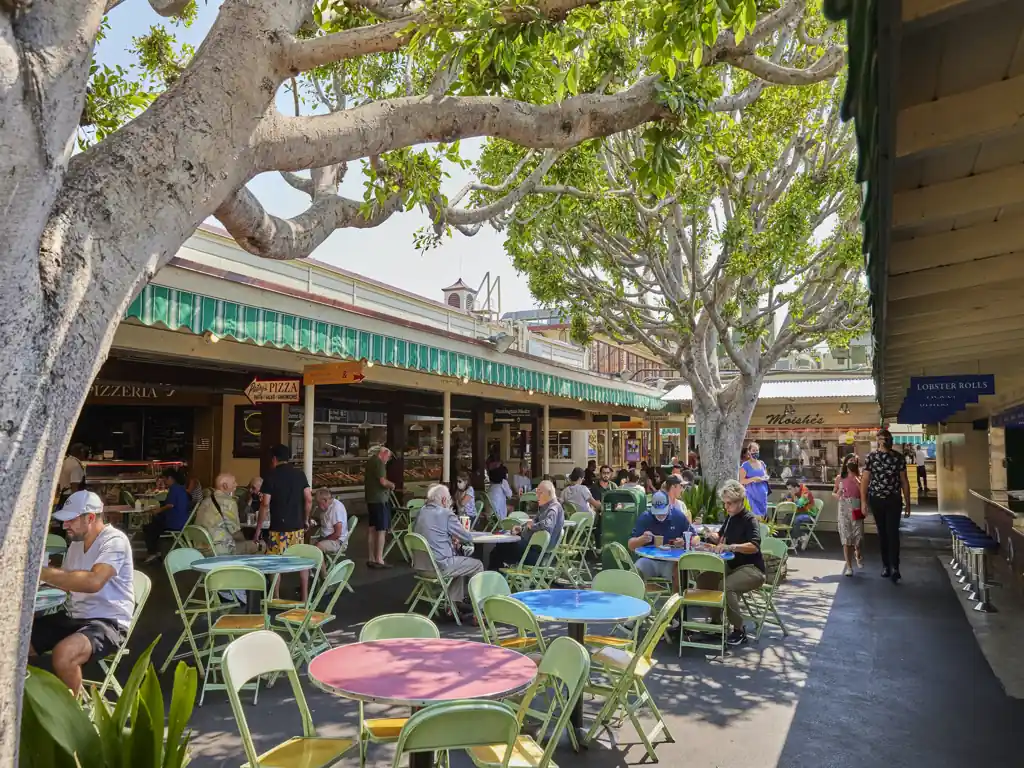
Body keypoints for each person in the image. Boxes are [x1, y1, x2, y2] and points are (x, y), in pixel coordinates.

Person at [31, 491, 135, 695]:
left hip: (108, 621)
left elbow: (94, 581)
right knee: (13, 640)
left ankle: (70, 718)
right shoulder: (76, 544)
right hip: (73, 616)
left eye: (70, 520)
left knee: (64, 654)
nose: (64, 526)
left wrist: (40, 572)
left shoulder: (114, 540)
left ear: (90, 517)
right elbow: (66, 582)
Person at [699, 480, 766, 646]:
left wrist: (732, 547)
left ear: (740, 501)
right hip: (733, 567)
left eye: (729, 503)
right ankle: (716, 624)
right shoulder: (730, 518)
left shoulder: (749, 519)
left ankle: (739, 630)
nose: (726, 507)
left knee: (726, 585)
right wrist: (708, 536)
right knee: (704, 580)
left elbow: (754, 546)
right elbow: (720, 539)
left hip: (752, 569)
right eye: (725, 503)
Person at [413, 484, 481, 619]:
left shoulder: (420, 512)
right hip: (439, 566)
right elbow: (466, 537)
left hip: (420, 566)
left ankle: (454, 605)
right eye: (449, 499)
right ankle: (479, 611)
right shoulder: (445, 514)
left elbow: (431, 536)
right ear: (444, 500)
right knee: (477, 565)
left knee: (461, 564)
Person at [257, 444, 313, 600]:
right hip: (297, 527)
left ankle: (276, 597)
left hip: (278, 528)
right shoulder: (300, 475)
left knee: (275, 562)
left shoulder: (271, 476)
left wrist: (258, 529)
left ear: (274, 459)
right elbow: (308, 499)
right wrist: (305, 519)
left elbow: (265, 504)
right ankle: (304, 597)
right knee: (301, 560)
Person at [862, 428, 911, 583]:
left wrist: (908, 502)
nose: (884, 440)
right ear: (877, 440)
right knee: (882, 533)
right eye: (881, 438)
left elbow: (904, 480)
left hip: (893, 499)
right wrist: (863, 501)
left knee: (893, 532)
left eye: (886, 438)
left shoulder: (898, 458)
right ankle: (886, 566)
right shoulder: (871, 457)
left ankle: (895, 566)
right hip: (876, 498)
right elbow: (865, 480)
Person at [489, 480, 564, 569]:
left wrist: (531, 526)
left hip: (537, 554)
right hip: (533, 549)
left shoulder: (553, 508)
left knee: (500, 548)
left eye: (539, 493)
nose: (537, 496)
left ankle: (497, 577)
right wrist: (521, 528)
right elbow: (533, 522)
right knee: (498, 549)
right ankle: (499, 575)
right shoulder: (546, 507)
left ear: (547, 493)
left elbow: (547, 525)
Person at [628, 490, 696, 583]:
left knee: (680, 571)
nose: (660, 515)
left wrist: (684, 542)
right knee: (635, 572)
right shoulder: (645, 517)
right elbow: (630, 545)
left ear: (669, 506)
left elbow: (695, 538)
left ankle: (676, 596)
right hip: (649, 560)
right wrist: (641, 539)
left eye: (663, 512)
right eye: (657, 512)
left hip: (671, 561)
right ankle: (636, 596)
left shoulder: (678, 516)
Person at [195, 473, 261, 555]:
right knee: (261, 545)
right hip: (220, 548)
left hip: (200, 549)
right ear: (225, 486)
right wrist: (246, 541)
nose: (236, 485)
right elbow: (236, 534)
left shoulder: (205, 501)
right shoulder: (229, 502)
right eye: (234, 482)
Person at [143, 468, 191, 563]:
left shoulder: (174, 489)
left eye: (165, 479)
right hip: (183, 520)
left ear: (170, 478)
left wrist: (158, 510)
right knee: (155, 524)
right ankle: (156, 551)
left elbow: (170, 505)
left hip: (175, 522)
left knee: (149, 527)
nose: (164, 482)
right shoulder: (181, 488)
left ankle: (153, 552)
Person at [364, 445, 395, 569]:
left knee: (372, 528)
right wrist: (391, 485)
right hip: (380, 500)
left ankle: (371, 557)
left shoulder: (370, 461)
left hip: (370, 499)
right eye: (389, 456)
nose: (389, 459)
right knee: (381, 529)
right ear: (384, 453)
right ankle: (379, 559)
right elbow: (382, 481)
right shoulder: (380, 463)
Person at [833, 455, 864, 576]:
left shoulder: (859, 478)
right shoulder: (839, 478)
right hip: (843, 507)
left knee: (858, 536)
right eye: (849, 461)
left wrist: (858, 483)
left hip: (856, 506)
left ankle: (858, 553)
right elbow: (834, 493)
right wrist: (838, 494)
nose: (851, 463)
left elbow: (863, 494)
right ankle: (849, 567)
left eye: (854, 462)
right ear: (845, 463)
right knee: (846, 538)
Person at [314, 488, 349, 561]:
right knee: (308, 545)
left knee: (317, 548)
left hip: (337, 541)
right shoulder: (328, 506)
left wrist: (323, 540)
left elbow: (337, 534)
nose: (318, 506)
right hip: (327, 537)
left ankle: (323, 572)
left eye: (319, 503)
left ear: (325, 500)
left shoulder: (336, 509)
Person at [739, 441, 770, 518]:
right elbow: (741, 481)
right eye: (753, 450)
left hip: (763, 496)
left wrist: (765, 478)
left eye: (757, 450)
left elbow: (766, 476)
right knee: (754, 517)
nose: (755, 452)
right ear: (749, 452)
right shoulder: (745, 465)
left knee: (763, 518)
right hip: (751, 495)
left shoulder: (762, 463)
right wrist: (753, 479)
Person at [783, 477, 816, 549]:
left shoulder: (805, 491)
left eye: (790, 489)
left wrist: (793, 499)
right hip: (800, 512)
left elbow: (800, 504)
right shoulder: (794, 492)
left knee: (796, 519)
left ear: (795, 487)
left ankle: (798, 537)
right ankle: (799, 537)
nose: (789, 491)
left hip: (809, 514)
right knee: (786, 519)